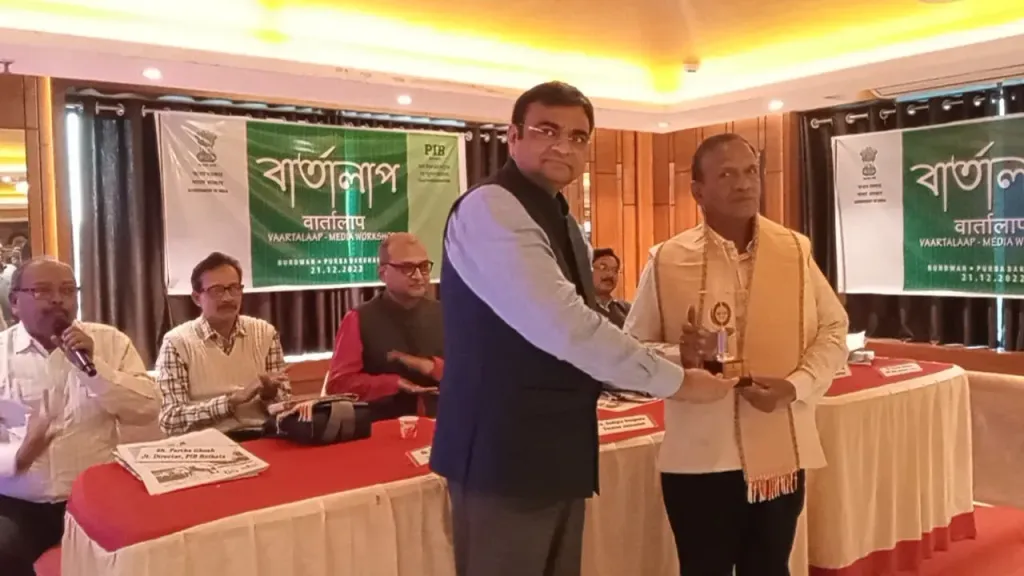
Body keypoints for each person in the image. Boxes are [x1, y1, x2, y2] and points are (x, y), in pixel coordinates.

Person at [430, 81, 736, 576]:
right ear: (512, 135)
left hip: (555, 447)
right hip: (502, 452)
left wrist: (671, 358)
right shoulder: (492, 208)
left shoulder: (559, 214)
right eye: (546, 130)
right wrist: (676, 382)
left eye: (577, 137)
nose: (563, 146)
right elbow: (565, 325)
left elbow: (586, 321)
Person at [625, 133, 849, 576]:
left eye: (750, 172)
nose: (744, 183)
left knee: (769, 567)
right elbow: (632, 349)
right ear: (698, 190)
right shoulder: (667, 259)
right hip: (701, 455)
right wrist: (680, 354)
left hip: (779, 450)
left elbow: (834, 329)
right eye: (727, 174)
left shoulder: (794, 250)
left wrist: (795, 387)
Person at [0, 257, 159, 575]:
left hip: (95, 498)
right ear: (15, 302)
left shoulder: (109, 342)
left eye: (68, 290)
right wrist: (19, 455)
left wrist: (96, 369)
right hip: (17, 504)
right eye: (43, 291)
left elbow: (147, 409)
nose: (58, 300)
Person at [156, 252, 290, 437]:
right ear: (196, 298)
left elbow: (285, 406)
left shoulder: (265, 333)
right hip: (204, 442)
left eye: (234, 288)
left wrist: (269, 395)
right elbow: (170, 420)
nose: (228, 298)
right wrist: (231, 402)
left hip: (261, 436)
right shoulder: (177, 342)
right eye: (217, 290)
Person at [325, 232, 443, 420]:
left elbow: (469, 373)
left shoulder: (446, 314)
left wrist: (431, 367)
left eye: (423, 267)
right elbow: (338, 385)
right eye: (407, 268)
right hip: (380, 426)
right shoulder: (358, 318)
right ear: (383, 274)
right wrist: (394, 384)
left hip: (442, 424)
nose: (418, 276)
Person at [591, 247, 630, 328]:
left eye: (615, 270)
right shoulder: (578, 308)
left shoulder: (626, 309)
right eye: (603, 268)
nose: (610, 275)